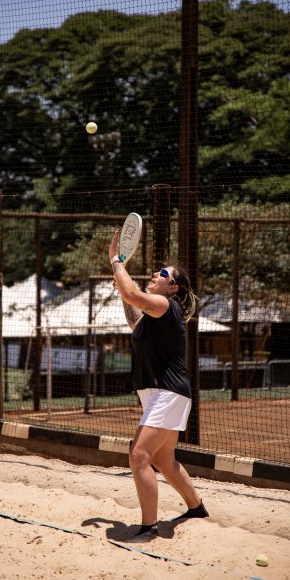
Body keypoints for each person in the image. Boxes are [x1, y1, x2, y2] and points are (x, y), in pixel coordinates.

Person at [108, 228, 209, 539]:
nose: (155, 274)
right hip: (160, 392)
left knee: (139, 455)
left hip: (168, 392)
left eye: (162, 274)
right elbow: (133, 319)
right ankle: (196, 508)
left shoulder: (167, 306)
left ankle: (149, 527)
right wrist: (122, 289)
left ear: (172, 287)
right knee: (164, 459)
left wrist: (116, 261)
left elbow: (133, 295)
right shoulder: (154, 315)